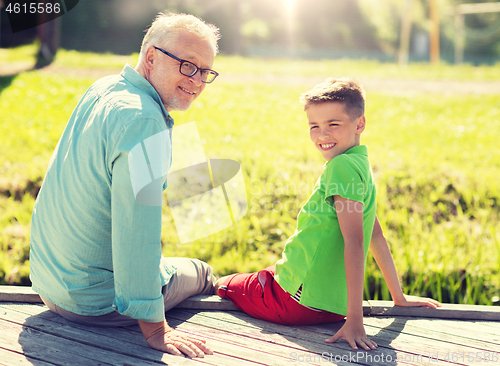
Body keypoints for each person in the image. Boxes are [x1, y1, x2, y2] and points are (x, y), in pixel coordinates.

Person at [29, 13, 221, 358]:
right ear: (151, 57)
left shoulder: (104, 87)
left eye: (206, 72)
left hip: (48, 284)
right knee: (203, 272)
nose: (197, 81)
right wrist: (155, 327)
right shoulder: (145, 121)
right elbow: (138, 232)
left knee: (168, 262)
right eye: (188, 66)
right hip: (91, 303)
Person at [215, 78, 441, 351]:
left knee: (222, 283)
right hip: (331, 307)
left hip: (295, 303)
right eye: (314, 127)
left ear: (359, 124)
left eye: (333, 124)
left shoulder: (340, 168)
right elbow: (376, 235)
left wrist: (356, 320)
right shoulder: (360, 163)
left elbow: (356, 243)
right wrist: (398, 296)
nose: (322, 135)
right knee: (271, 272)